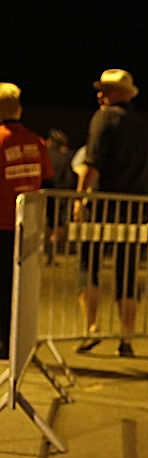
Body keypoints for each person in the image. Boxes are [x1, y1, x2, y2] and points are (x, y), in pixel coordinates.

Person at [74, 68, 148, 358]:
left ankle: (91, 328)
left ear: (120, 95)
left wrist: (79, 199)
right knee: (127, 272)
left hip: (103, 207)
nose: (100, 95)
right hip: (134, 210)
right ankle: (127, 337)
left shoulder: (104, 118)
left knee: (89, 267)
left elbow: (92, 162)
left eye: (106, 91)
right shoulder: (145, 125)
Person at [0, 83, 54, 361]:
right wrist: (54, 224)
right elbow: (48, 182)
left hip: (1, 224)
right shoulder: (36, 142)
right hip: (27, 228)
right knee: (19, 287)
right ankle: (15, 341)